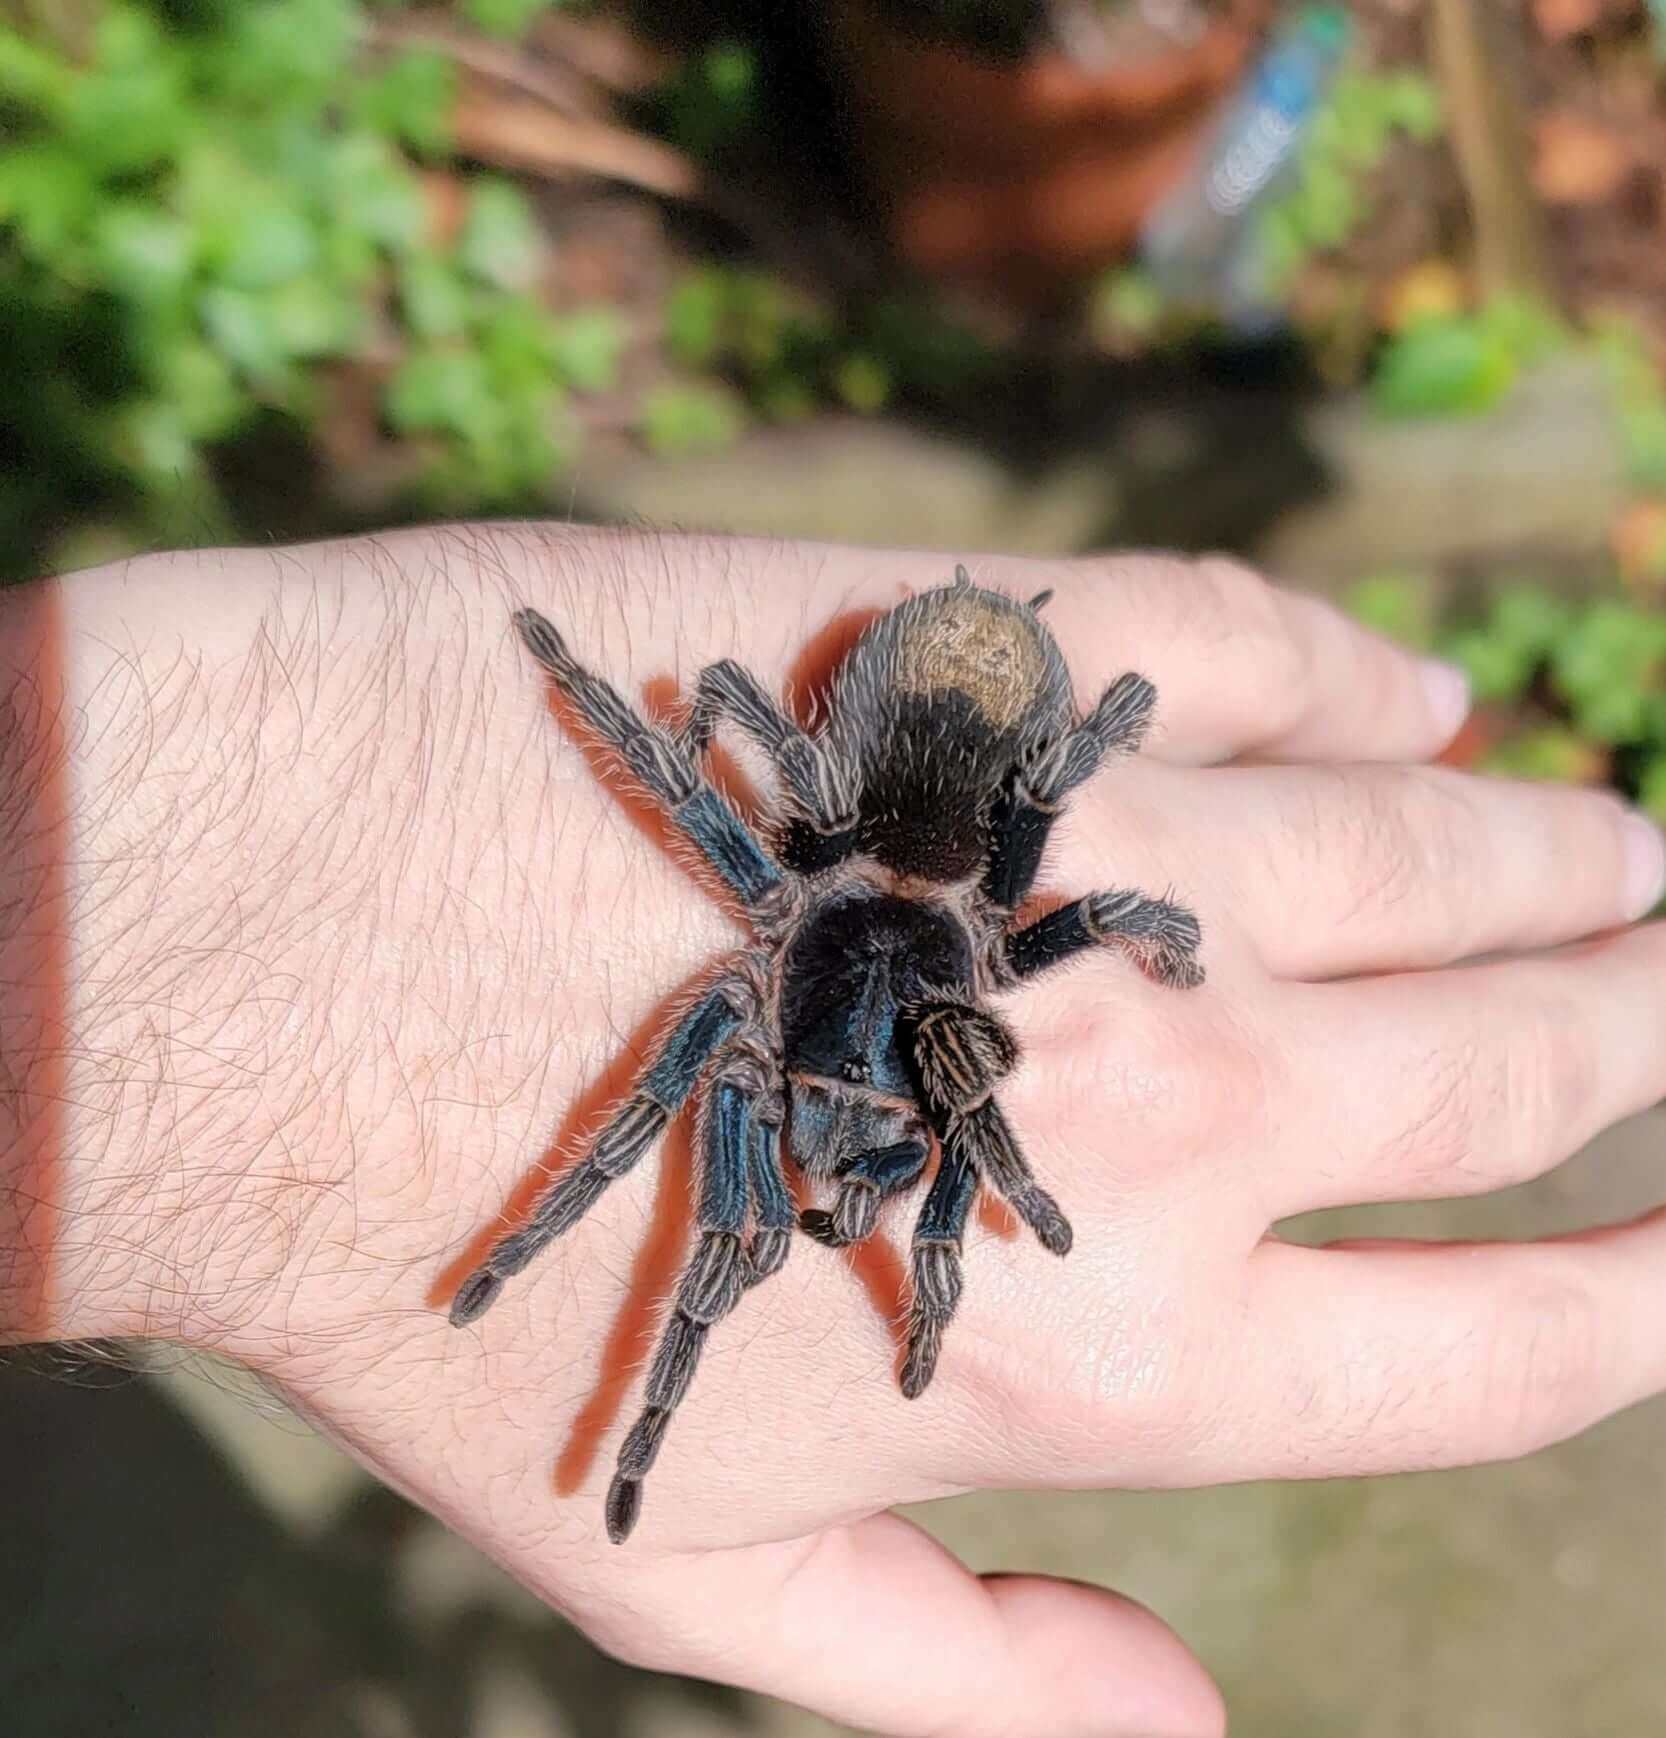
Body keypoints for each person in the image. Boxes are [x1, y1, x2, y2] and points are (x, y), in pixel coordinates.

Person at [4, 523, 1665, 1738]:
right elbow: (683, 757)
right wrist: (570, 683)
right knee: (700, 1182)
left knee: (882, 1153)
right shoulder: (775, 956)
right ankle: (595, 1343)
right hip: (890, 829)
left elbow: (1055, 926)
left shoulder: (948, 956)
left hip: (916, 793)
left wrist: (973, 1207)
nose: (826, 1118)